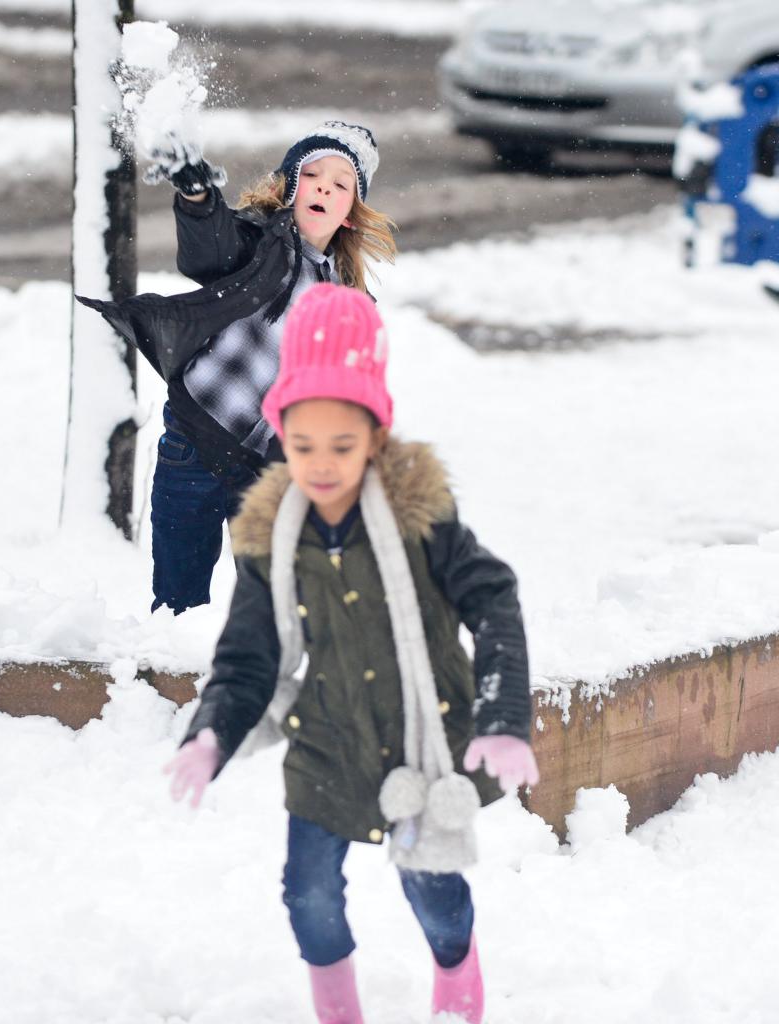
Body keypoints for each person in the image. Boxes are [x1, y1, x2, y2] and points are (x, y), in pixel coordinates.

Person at [164, 284, 539, 1024]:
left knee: (434, 896)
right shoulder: (271, 539)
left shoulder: (420, 517)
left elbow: (493, 599)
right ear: (280, 436)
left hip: (420, 748)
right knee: (307, 896)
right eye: (302, 446)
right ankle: (339, 1013)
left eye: (343, 445)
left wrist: (501, 716)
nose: (323, 464)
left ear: (375, 433)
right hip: (328, 745)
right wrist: (211, 732)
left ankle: (457, 975)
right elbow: (248, 656)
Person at [77, 121, 396, 614]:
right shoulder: (257, 243)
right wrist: (199, 197)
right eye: (313, 175)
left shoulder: (349, 301)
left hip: (269, 467)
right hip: (195, 442)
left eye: (340, 185)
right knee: (179, 593)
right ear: (289, 187)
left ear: (350, 214)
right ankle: (169, 674)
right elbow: (211, 247)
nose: (324, 188)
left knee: (276, 594)